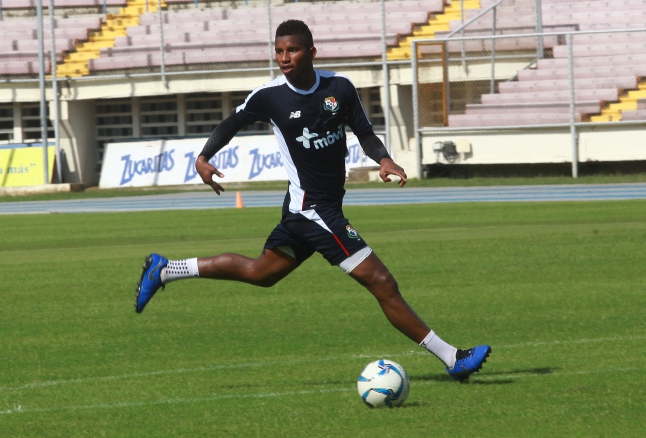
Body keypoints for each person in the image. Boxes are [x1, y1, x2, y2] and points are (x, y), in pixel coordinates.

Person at [136, 20, 490, 381]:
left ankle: (165, 270)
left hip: (312, 208)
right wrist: (203, 157)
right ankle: (452, 359)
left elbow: (364, 131)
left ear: (312, 52)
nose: (284, 58)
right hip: (312, 210)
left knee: (261, 273)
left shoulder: (340, 88)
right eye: (278, 51)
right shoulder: (269, 95)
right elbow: (232, 122)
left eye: (292, 50)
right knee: (382, 282)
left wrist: (383, 159)